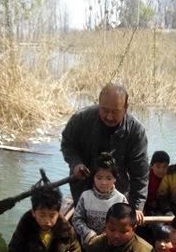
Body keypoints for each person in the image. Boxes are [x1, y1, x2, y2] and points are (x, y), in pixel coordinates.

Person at [61, 83, 149, 224]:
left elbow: (140, 173)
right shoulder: (81, 119)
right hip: (83, 181)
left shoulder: (135, 131)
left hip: (117, 185)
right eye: (104, 110)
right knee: (84, 221)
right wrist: (76, 163)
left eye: (115, 112)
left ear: (125, 108)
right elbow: (67, 144)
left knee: (115, 224)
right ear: (99, 104)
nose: (109, 116)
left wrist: (137, 207)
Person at [72, 152, 128, 248]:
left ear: (115, 179)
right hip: (88, 246)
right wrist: (88, 233)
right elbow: (77, 219)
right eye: (99, 178)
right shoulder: (85, 196)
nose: (104, 182)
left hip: (111, 247)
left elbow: (125, 224)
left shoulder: (120, 199)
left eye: (109, 178)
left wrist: (108, 235)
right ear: (93, 177)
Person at [144, 150, 170, 215]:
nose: (161, 170)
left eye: (165, 166)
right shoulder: (146, 177)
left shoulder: (170, 176)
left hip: (163, 204)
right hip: (146, 205)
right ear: (152, 166)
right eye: (158, 166)